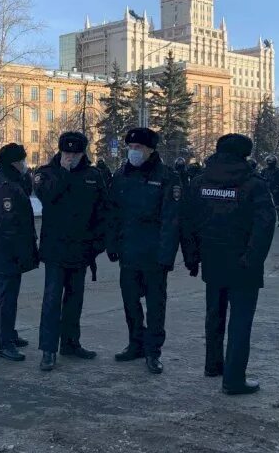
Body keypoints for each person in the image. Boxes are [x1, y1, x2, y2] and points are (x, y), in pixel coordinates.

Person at [183, 134, 275, 395]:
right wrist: (253, 258)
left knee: (214, 314)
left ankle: (212, 365)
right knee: (240, 321)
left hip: (212, 259)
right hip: (243, 263)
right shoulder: (253, 184)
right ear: (245, 154)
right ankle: (234, 379)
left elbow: (188, 221)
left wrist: (192, 257)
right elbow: (264, 225)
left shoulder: (200, 181)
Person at [108, 128, 182, 375]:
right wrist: (112, 244)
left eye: (138, 147)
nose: (133, 152)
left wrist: (166, 256)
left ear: (150, 149)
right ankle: (135, 344)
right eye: (131, 147)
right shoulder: (122, 175)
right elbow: (114, 213)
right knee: (130, 302)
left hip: (154, 254)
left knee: (155, 305)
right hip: (128, 252)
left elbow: (171, 220)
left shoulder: (166, 177)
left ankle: (153, 352)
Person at [34, 131, 107, 372]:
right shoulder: (47, 173)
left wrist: (97, 244)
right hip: (55, 249)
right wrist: (64, 174)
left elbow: (102, 210)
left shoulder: (93, 175)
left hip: (81, 249)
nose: (70, 157)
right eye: (67, 153)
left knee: (75, 300)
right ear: (60, 151)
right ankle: (48, 349)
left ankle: (70, 343)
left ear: (82, 153)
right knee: (52, 300)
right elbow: (46, 197)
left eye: (75, 154)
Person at [0, 143, 38, 361]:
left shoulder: (12, 181)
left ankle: (10, 334)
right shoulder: (5, 186)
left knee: (11, 296)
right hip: (6, 251)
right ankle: (3, 343)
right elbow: (8, 224)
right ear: (14, 163)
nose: (25, 164)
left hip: (11, 251)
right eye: (22, 160)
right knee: (5, 298)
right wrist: (19, 252)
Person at [260, 155, 279, 228]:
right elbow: (261, 179)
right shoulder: (264, 170)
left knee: (278, 206)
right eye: (268, 161)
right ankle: (267, 220)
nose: (269, 163)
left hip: (276, 190)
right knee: (266, 206)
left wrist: (278, 188)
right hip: (266, 190)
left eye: (270, 161)